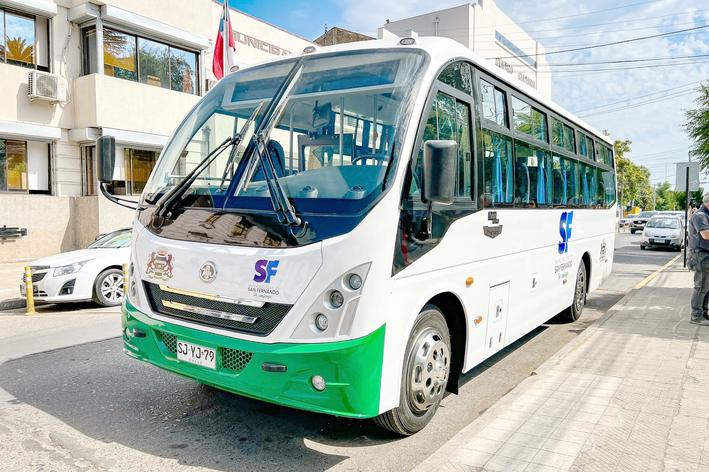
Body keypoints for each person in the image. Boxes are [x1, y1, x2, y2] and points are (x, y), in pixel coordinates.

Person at [687, 192, 709, 324]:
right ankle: (696, 316)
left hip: (705, 255)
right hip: (701, 256)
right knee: (701, 287)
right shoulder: (700, 216)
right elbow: (706, 235)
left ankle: (703, 313)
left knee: (706, 287)